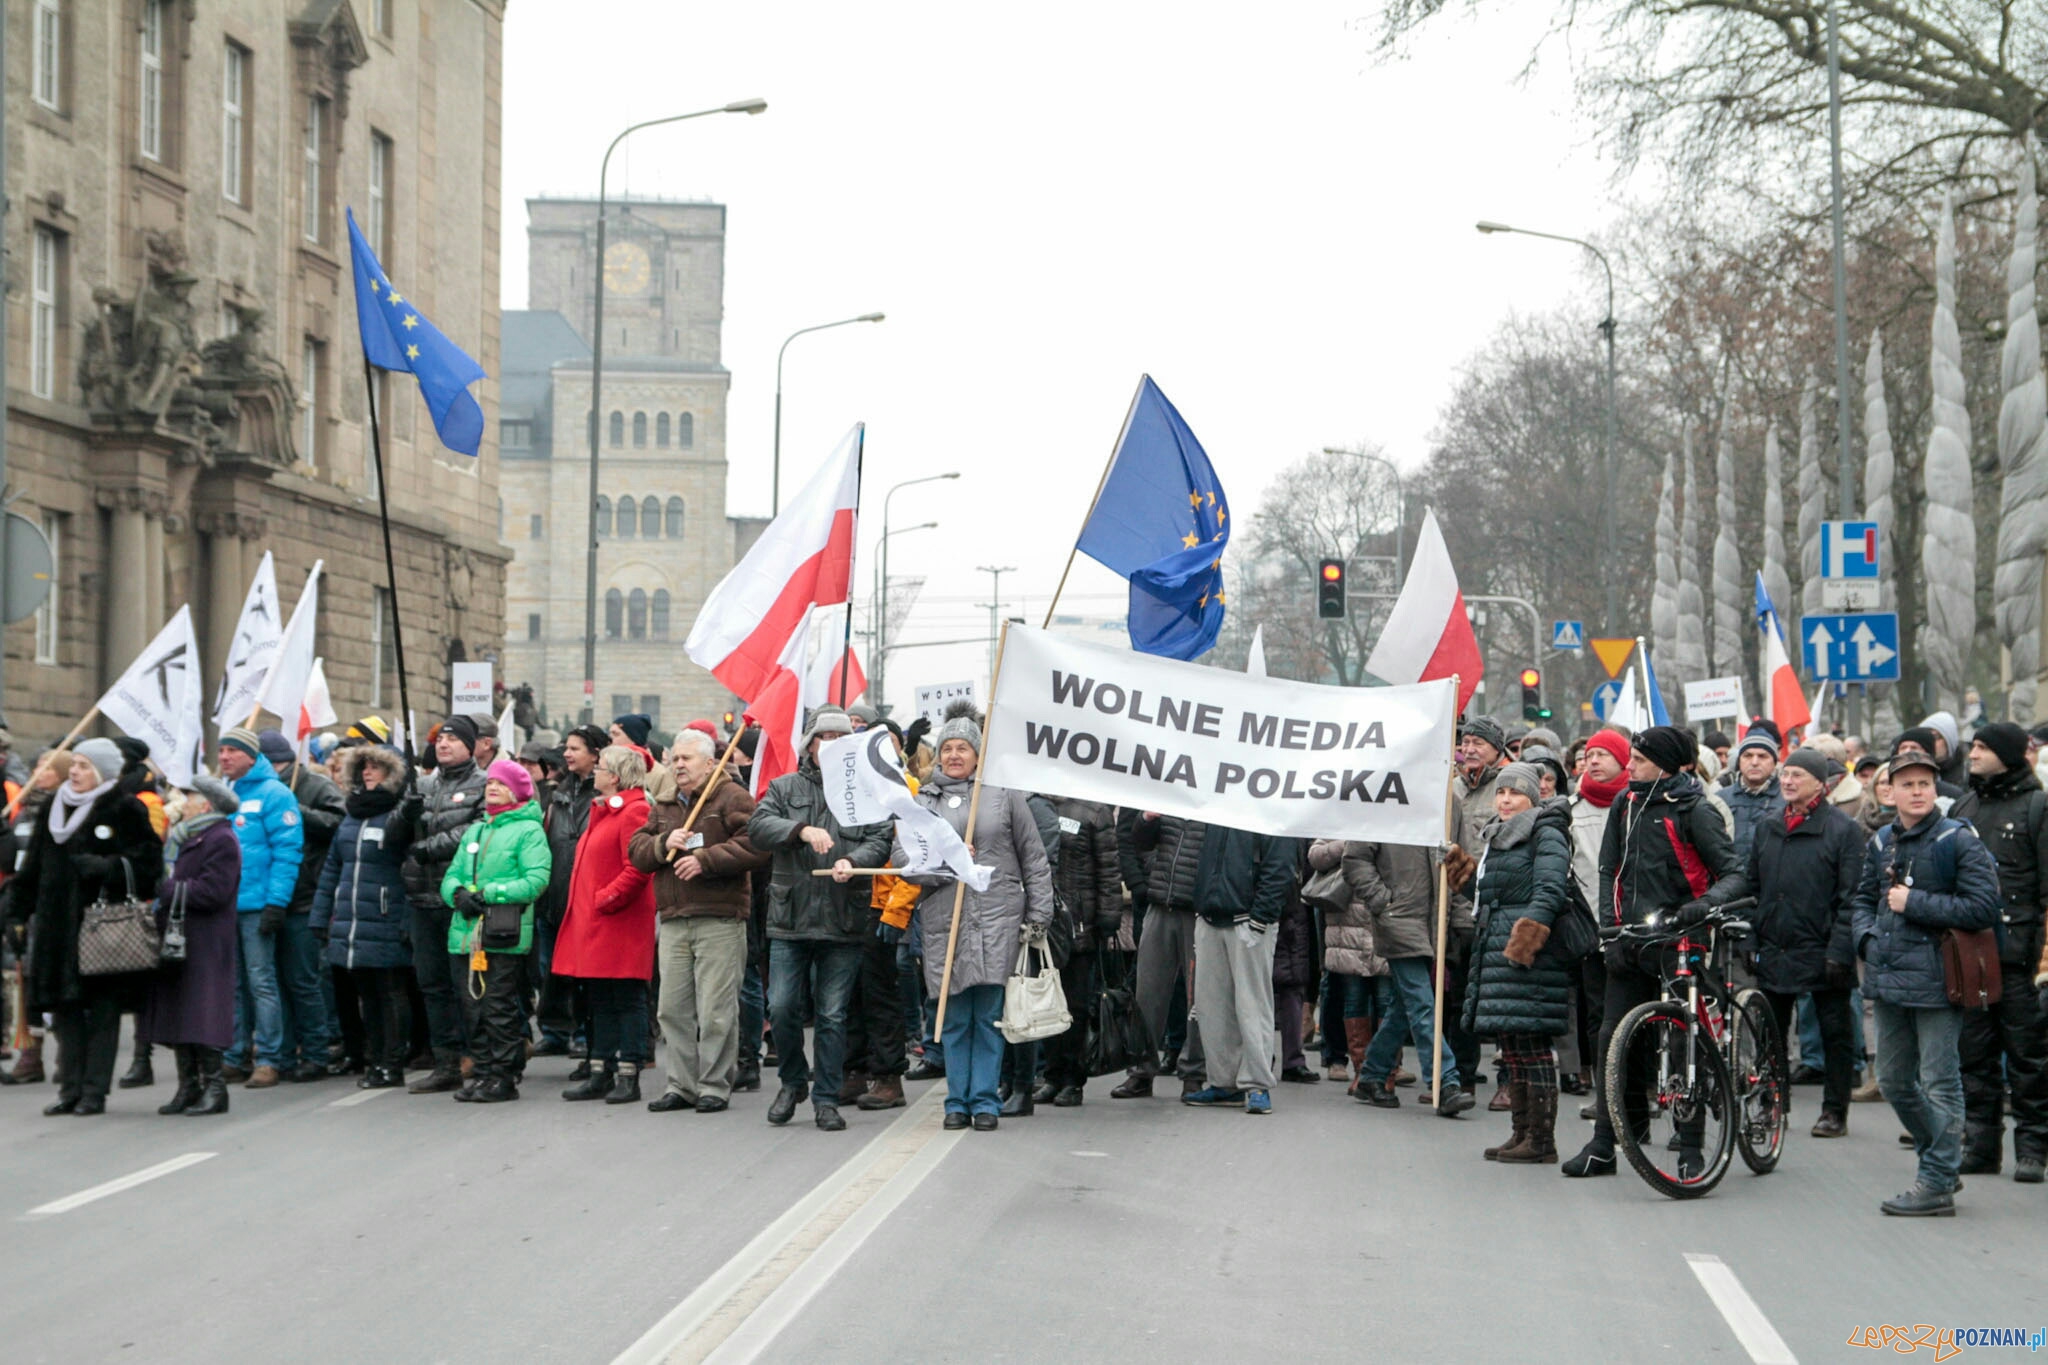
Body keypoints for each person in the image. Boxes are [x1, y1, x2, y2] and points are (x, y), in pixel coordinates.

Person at [1565, 724, 1737, 1178]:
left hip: (1683, 938)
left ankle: (1691, 1145)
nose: (1630, 766)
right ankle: (1604, 1143)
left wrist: (1703, 906)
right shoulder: (1625, 803)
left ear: (1663, 765)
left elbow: (1735, 874)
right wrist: (1610, 930)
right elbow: (1608, 869)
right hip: (1631, 939)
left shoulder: (1696, 810)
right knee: (1612, 1038)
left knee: (1684, 1041)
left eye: (1639, 760)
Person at [1851, 745, 2002, 1216]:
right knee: (1895, 1081)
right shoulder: (1882, 841)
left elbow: (1984, 907)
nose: (1917, 792)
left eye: (1925, 784)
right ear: (1890, 792)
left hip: (1940, 980)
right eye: (1907, 784)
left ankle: (1936, 1181)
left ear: (1935, 789)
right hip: (1888, 977)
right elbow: (1862, 900)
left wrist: (1914, 903)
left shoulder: (1958, 839)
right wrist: (1867, 940)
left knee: (1939, 1081)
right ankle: (1943, 1161)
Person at [901, 711, 1055, 1130]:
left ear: (978, 755)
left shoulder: (1004, 795)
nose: (954, 755)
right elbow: (905, 862)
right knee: (952, 1019)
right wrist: (947, 862)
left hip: (996, 921)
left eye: (963, 748)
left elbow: (1033, 857)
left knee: (989, 1016)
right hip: (945, 923)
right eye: (947, 748)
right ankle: (956, 1102)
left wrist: (1038, 914)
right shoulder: (923, 801)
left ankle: (985, 1101)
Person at [1701, 748, 1866, 1138]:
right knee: (1770, 1034)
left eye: (1797, 776)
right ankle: (1773, 1104)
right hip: (1776, 944)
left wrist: (1840, 950)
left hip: (1823, 948)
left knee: (1835, 1035)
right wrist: (1750, 937)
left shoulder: (1843, 830)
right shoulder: (1770, 826)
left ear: (1819, 784)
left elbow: (1852, 898)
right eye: (1786, 774)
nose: (1788, 782)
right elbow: (1753, 888)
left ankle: (1834, 1111)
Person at [749, 709, 893, 1132]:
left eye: (839, 737)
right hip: (790, 919)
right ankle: (793, 1082)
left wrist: (855, 860)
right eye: (823, 736)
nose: (830, 743)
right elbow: (758, 826)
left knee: (832, 1015)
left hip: (842, 919)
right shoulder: (785, 786)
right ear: (809, 744)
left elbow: (881, 838)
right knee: (782, 1007)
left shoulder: (865, 790)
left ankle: (826, 1098)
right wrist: (800, 830)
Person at [6, 739, 163, 1114]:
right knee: (65, 1010)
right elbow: (33, 868)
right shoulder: (53, 807)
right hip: (56, 927)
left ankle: (94, 1091)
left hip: (101, 927)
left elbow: (149, 866)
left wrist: (108, 867)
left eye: (83, 766)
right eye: (74, 764)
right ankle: (70, 1089)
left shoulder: (123, 807)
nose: (74, 772)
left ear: (103, 773)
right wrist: (16, 913)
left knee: (102, 1011)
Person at [629, 729, 768, 1114]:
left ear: (709, 764)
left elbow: (757, 844)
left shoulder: (732, 796)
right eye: (675, 759)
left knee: (716, 1011)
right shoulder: (665, 802)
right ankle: (681, 1085)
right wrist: (663, 844)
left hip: (719, 917)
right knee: (672, 1009)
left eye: (686, 759)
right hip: (674, 919)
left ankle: (714, 1086)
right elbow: (637, 850)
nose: (678, 765)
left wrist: (706, 860)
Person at [1949, 721, 2048, 1182]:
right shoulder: (1965, 805)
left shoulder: (2037, 806)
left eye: (1982, 748)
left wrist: (2042, 960)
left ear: (2006, 755)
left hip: (2019, 957)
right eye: (1973, 746)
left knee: (2028, 1058)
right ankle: (1981, 1146)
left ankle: (2033, 1148)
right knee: (1974, 1055)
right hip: (1970, 952)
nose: (1972, 754)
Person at [1462, 764, 1576, 1162]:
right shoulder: (1498, 834)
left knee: (1532, 1045)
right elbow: (1492, 892)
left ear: (1533, 797)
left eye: (1515, 793)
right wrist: (1459, 869)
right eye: (1501, 792)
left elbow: (1550, 891)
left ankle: (1542, 1141)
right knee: (1511, 1044)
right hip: (1497, 947)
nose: (1506, 800)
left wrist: (1524, 942)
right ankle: (1521, 1133)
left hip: (1529, 954)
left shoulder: (1547, 832)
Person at [440, 759, 551, 1103]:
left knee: (497, 1007)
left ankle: (504, 1076)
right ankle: (484, 1072)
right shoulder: (475, 831)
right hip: (466, 934)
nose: (492, 788)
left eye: (501, 784)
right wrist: (457, 894)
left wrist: (490, 894)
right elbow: (452, 874)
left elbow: (535, 881)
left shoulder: (529, 830)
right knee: (471, 1008)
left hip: (503, 934)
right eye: (490, 782)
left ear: (516, 791)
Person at [554, 745, 657, 1103]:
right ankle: (601, 1070)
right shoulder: (607, 810)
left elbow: (638, 867)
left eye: (600, 767)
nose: (594, 772)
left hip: (619, 922)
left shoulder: (635, 811)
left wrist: (606, 898)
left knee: (626, 998)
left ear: (614, 776)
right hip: (599, 924)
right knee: (600, 999)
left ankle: (629, 1073)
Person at [311, 745, 417, 1089]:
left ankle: (393, 1063)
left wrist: (406, 918)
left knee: (390, 992)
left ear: (392, 774)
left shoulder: (400, 814)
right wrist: (320, 915)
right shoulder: (352, 814)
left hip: (386, 915)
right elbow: (333, 868)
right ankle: (375, 1060)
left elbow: (412, 870)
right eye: (364, 767)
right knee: (367, 995)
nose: (368, 772)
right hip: (353, 919)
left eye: (375, 767)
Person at [136, 774, 242, 1116]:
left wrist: (167, 889)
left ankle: (215, 1088)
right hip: (180, 936)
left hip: (205, 938)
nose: (182, 804)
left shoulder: (222, 839)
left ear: (205, 805)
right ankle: (188, 1086)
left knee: (203, 1011)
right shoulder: (185, 836)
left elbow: (214, 891)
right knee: (180, 1010)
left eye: (189, 798)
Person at [1180, 823, 1297, 1114]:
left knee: (1252, 1005)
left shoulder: (1270, 808)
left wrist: (1262, 916)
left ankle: (1257, 1083)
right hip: (1212, 915)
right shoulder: (1221, 806)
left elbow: (1280, 863)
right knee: (1212, 1007)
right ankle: (1224, 1082)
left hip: (1247, 918)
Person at [399, 715, 488, 1094]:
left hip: (459, 900)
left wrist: (430, 847)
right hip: (422, 898)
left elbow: (477, 831)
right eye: (440, 740)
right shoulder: (420, 785)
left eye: (453, 739)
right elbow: (396, 836)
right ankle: (446, 1062)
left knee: (466, 985)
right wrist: (404, 814)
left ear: (470, 745)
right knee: (432, 985)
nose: (444, 745)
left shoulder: (484, 784)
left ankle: (479, 1058)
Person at [216, 726, 303, 1089]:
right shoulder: (226, 792)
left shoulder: (275, 794)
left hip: (257, 907)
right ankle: (235, 1054)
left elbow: (288, 851)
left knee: (261, 982)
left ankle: (269, 1058)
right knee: (232, 984)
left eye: (232, 751)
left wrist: (276, 902)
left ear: (251, 757)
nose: (224, 757)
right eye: (221, 751)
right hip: (225, 904)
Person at [1349, 837, 1464, 1113]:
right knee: (1422, 1002)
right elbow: (1354, 859)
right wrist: (1383, 900)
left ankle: (1372, 1074)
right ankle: (1445, 1081)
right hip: (1399, 919)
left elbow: (1458, 860)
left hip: (1433, 920)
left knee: (1404, 1006)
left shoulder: (1447, 811)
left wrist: (1459, 916)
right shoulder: (1386, 808)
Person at [257, 729, 345, 1081]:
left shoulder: (316, 785)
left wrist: (296, 810)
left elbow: (338, 823)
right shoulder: (259, 791)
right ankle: (284, 1052)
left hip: (305, 896)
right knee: (276, 982)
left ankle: (316, 1052)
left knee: (303, 981)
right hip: (270, 898)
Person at [1114, 814, 1209, 1099]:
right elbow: (1139, 841)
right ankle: (1141, 1071)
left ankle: (1194, 1073)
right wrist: (1146, 820)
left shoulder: (1214, 804)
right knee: (1148, 993)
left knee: (1197, 998)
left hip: (1196, 909)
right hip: (1160, 902)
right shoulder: (1170, 796)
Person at [1039, 797, 1123, 1105]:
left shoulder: (1094, 811)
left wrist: (1108, 919)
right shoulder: (1034, 805)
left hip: (1079, 922)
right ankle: (1052, 1075)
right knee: (1045, 1003)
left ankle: (1073, 1080)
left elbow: (1109, 870)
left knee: (1075, 1005)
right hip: (1043, 921)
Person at [1, 746, 69, 1085]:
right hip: (28, 907)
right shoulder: (23, 813)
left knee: (56, 979)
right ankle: (31, 1055)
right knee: (26, 978)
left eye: (48, 767)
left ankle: (66, 1055)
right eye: (38, 767)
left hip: (56, 908)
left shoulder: (68, 810)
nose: (40, 773)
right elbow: (13, 862)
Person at [537, 724, 604, 1059]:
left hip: (586, 897)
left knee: (584, 973)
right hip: (554, 894)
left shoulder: (604, 793)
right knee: (551, 969)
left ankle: (582, 1034)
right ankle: (555, 1031)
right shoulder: (556, 792)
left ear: (596, 754)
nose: (567, 754)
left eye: (575, 748)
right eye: (567, 748)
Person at [1306, 838, 1383, 1088]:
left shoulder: (1392, 821)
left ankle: (1386, 1069)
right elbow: (1316, 855)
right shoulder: (1341, 821)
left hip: (1382, 917)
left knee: (1386, 1000)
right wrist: (1346, 845)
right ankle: (1357, 1067)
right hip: (1347, 922)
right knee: (1352, 998)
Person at [1724, 730, 1786, 868]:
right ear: (1739, 760)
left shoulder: (1788, 800)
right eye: (1747, 756)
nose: (1754, 762)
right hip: (1729, 878)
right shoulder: (1721, 799)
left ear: (1774, 762)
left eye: (1762, 756)